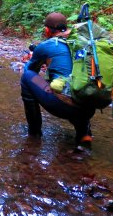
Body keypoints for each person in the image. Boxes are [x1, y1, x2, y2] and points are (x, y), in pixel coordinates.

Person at [20, 12, 95, 150]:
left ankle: (34, 133)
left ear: (47, 30)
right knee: (78, 86)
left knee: (26, 78)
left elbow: (30, 71)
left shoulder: (47, 45)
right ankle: (84, 135)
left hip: (63, 107)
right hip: (90, 104)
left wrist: (32, 59)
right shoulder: (80, 42)